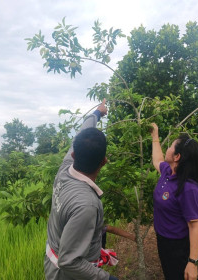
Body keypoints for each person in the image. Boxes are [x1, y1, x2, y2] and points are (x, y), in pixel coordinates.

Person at [44, 99, 119, 280]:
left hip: (53, 266)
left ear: (73, 154)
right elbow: (69, 261)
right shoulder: (86, 205)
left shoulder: (65, 168)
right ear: (104, 161)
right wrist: (109, 279)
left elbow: (83, 132)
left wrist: (97, 113)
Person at [150, 123, 198, 280]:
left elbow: (194, 226)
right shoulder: (168, 171)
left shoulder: (188, 189)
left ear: (177, 157)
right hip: (164, 240)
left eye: (171, 146)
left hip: (179, 247)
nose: (167, 148)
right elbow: (157, 159)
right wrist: (154, 136)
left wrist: (193, 262)